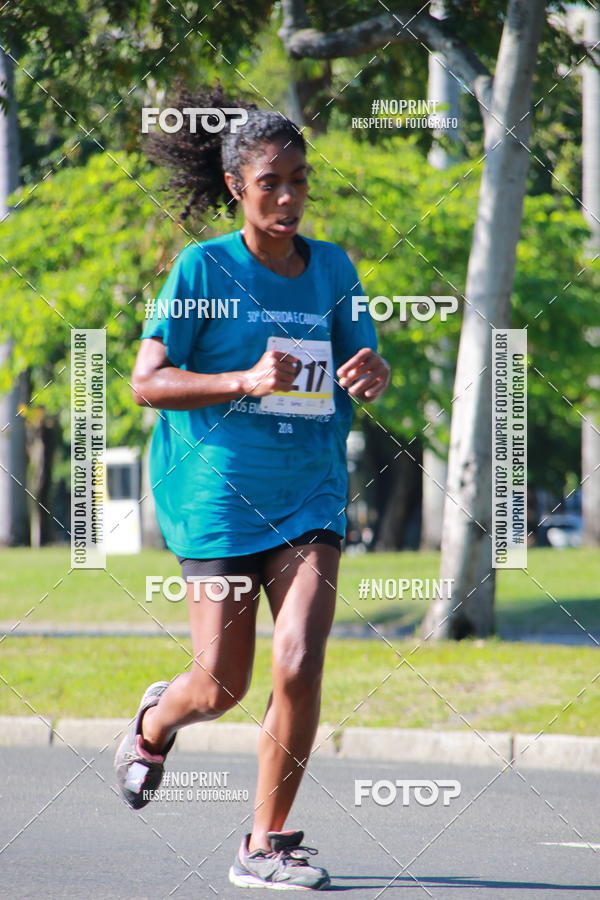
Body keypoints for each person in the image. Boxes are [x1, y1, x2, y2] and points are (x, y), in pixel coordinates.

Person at [114, 83, 390, 891]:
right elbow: (146, 382)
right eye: (272, 181)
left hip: (309, 492)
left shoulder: (333, 268)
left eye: (300, 179)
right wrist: (241, 376)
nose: (289, 196)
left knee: (300, 660)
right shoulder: (204, 268)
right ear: (237, 185)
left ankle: (264, 844)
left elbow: (362, 363)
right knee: (223, 686)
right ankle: (157, 720)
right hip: (219, 494)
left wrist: (370, 372)